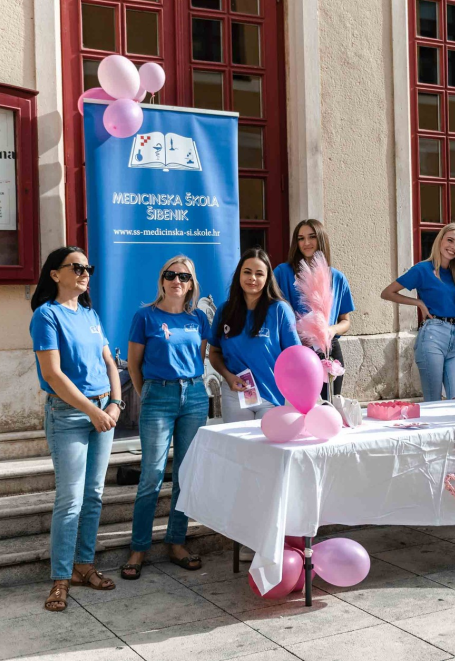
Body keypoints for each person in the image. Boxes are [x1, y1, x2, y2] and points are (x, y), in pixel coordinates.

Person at [30, 247, 121, 611]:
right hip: (68, 415)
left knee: (94, 494)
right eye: (76, 267)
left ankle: (84, 566)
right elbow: (52, 374)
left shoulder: (90, 315)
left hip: (103, 410)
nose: (85, 273)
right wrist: (91, 411)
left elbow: (110, 361)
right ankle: (61, 578)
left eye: (88, 267)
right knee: (70, 500)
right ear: (55, 275)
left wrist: (115, 403)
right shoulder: (46, 315)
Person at [121, 256, 210, 581]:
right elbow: (134, 364)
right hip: (158, 395)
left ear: (191, 284)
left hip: (194, 396)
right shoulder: (144, 316)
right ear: (162, 280)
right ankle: (139, 546)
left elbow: (198, 358)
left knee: (185, 474)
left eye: (183, 276)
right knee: (152, 476)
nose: (177, 280)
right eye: (171, 275)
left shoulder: (198, 318)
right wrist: (150, 395)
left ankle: (176, 541)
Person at [209, 248, 301, 421]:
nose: (252, 278)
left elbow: (295, 356)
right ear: (239, 275)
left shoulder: (280, 310)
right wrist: (228, 377)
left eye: (259, 273)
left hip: (272, 395)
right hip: (236, 393)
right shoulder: (224, 311)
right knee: (238, 446)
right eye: (247, 272)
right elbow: (214, 353)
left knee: (268, 446)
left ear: (267, 279)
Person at [381, 223, 455, 401]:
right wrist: (418, 302)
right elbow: (387, 293)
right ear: (440, 240)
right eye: (450, 240)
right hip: (433, 335)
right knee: (433, 400)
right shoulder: (423, 269)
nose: (454, 247)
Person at [274, 219, 355, 398]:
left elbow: (345, 321)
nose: (306, 243)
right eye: (301, 238)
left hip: (328, 349)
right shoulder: (282, 272)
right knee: (300, 406)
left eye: (312, 237)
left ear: (321, 240)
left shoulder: (337, 278)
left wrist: (331, 329)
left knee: (329, 405)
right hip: (296, 348)